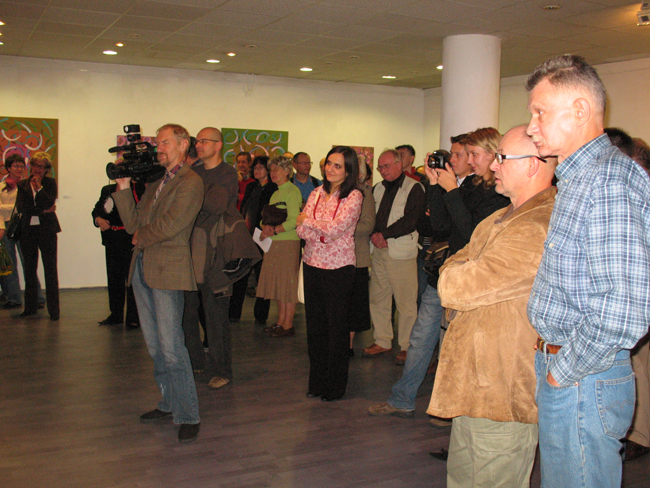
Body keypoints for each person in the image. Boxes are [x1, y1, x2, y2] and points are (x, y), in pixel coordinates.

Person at [526, 54, 650, 488]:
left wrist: (562, 371)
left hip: (582, 375)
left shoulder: (607, 180)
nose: (531, 127)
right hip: (571, 369)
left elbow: (624, 309)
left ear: (579, 110)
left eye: (540, 112)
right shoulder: (581, 178)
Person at [426, 125, 557, 487]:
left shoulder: (536, 226)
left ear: (532, 164)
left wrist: (455, 273)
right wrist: (457, 270)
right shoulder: (499, 218)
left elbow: (456, 286)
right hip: (474, 382)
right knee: (462, 476)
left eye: (502, 158)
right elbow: (456, 260)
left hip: (502, 388)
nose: (493, 165)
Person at [368, 130, 508, 419]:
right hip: (445, 274)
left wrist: (452, 190)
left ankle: (447, 409)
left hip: (470, 280)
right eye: (457, 154)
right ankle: (402, 400)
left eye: (466, 154)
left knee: (452, 346)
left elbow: (472, 234)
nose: (457, 159)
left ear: (490, 154)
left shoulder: (498, 193)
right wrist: (434, 186)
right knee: (420, 339)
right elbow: (440, 227)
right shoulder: (468, 187)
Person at [113, 123, 203, 443]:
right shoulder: (156, 182)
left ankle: (188, 414)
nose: (159, 148)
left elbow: (172, 224)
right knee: (155, 347)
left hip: (168, 270)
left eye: (164, 142)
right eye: (158, 143)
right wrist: (123, 187)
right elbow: (133, 224)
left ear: (183, 144)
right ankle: (168, 402)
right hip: (143, 268)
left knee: (172, 347)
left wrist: (140, 235)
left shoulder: (191, 181)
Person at [296, 146, 363, 401]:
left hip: (338, 268)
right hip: (312, 263)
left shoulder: (354, 196)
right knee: (315, 328)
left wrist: (309, 222)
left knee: (337, 329)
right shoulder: (316, 192)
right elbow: (300, 231)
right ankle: (317, 382)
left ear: (348, 170)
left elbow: (335, 229)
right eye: (329, 164)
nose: (330, 169)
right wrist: (318, 231)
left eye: (337, 165)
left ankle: (334, 386)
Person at [182, 126, 240, 390]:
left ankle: (222, 370)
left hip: (216, 252)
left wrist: (194, 191)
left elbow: (217, 205)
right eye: (198, 141)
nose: (199, 144)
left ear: (218, 145)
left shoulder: (227, 173)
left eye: (205, 141)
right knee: (187, 310)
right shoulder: (193, 172)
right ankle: (196, 361)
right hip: (190, 250)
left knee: (216, 315)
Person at [363, 149, 426, 364]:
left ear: (399, 164)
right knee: (378, 298)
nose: (383, 171)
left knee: (405, 302)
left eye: (387, 166)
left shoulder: (414, 188)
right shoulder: (378, 188)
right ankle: (382, 340)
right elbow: (370, 216)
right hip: (378, 250)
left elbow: (411, 220)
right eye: (380, 167)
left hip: (401, 252)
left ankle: (407, 346)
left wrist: (385, 235)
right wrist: (375, 235)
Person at [229, 155, 277, 325]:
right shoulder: (251, 186)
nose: (257, 170)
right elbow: (243, 209)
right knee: (240, 275)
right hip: (247, 235)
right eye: (255, 168)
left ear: (268, 170)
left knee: (262, 277)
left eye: (260, 167)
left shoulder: (273, 188)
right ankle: (233, 313)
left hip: (263, 236)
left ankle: (261, 315)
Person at [257, 156, 302, 337]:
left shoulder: (293, 191)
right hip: (275, 243)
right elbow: (266, 218)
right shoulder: (275, 193)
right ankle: (280, 322)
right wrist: (264, 226)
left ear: (287, 171)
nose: (273, 173)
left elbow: (294, 221)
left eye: (277, 169)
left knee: (287, 284)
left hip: (288, 242)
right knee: (279, 284)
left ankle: (288, 324)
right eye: (271, 170)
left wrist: (274, 230)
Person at [92, 179, 145, 329]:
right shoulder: (107, 189)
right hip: (111, 239)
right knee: (114, 278)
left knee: (131, 279)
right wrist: (98, 219)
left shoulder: (137, 188)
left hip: (129, 239)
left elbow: (141, 212)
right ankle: (115, 314)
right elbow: (96, 210)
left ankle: (133, 317)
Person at [15, 152, 61, 320]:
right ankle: (30, 307)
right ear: (31, 166)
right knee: (29, 269)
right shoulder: (22, 184)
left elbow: (49, 202)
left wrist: (39, 188)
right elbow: (22, 207)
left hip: (47, 230)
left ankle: (54, 311)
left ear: (47, 169)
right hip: (28, 231)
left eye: (42, 167)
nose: (38, 169)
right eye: (36, 165)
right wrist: (43, 210)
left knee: (50, 269)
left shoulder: (50, 183)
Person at [347, 155, 375, 356]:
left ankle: (347, 346)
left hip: (357, 257)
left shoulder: (365, 194)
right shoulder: (336, 193)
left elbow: (367, 225)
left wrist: (341, 227)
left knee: (353, 305)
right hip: (336, 258)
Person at [0, 155, 27, 309]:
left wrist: (4, 207)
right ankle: (14, 297)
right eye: (16, 166)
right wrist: (1, 227)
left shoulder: (26, 185)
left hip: (23, 225)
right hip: (5, 226)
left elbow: (24, 207)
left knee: (28, 262)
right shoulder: (1, 186)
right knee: (9, 263)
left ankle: (37, 297)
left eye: (21, 166)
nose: (19, 169)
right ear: (8, 168)